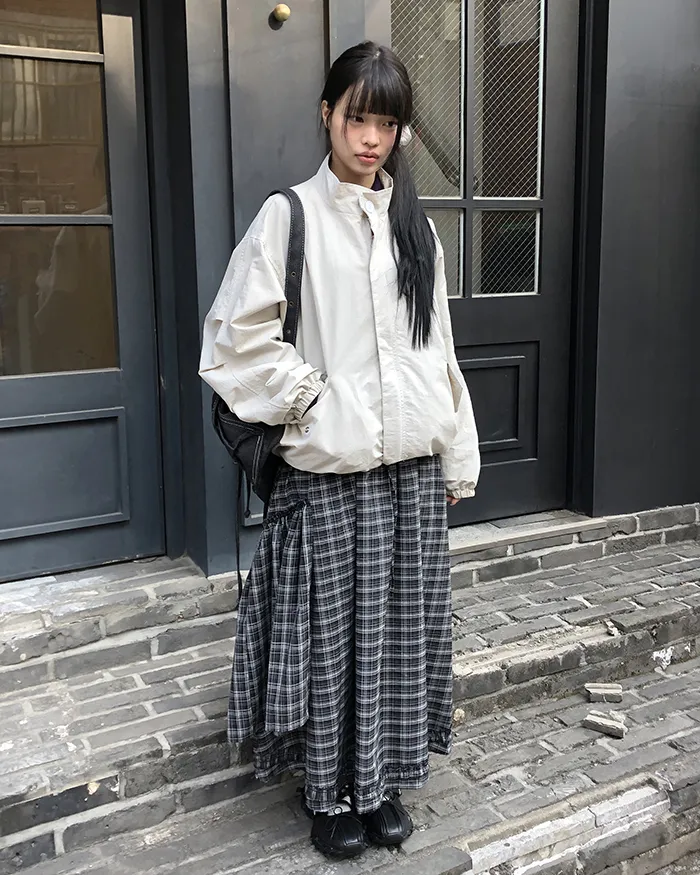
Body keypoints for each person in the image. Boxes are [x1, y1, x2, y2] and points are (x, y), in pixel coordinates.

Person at [199, 41, 480, 861]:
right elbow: (235, 338)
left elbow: (438, 349)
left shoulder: (415, 226)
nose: (370, 139)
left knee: (398, 633)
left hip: (411, 473)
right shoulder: (289, 217)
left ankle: (382, 782)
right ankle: (327, 792)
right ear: (327, 114)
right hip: (330, 472)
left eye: (387, 124)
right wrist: (311, 401)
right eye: (358, 118)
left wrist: (454, 451)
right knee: (330, 639)